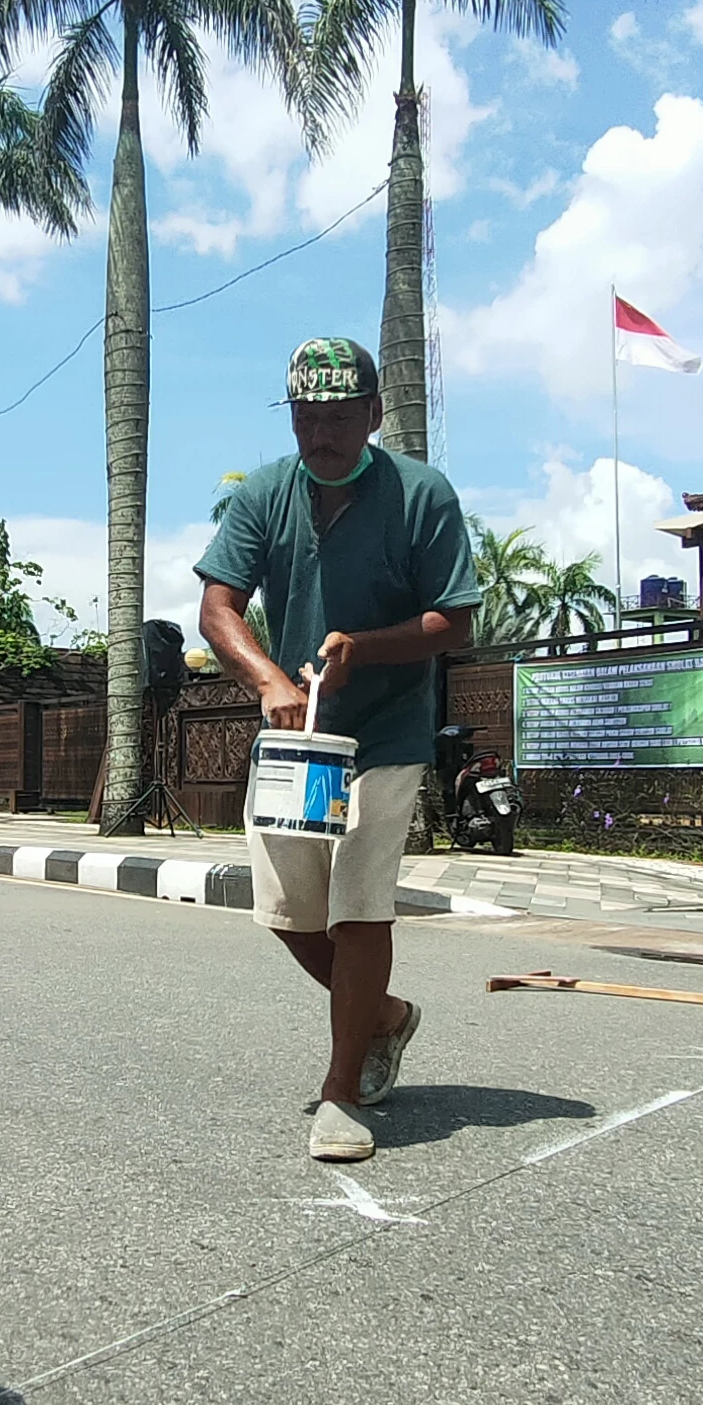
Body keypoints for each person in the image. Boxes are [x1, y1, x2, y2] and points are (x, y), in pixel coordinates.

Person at [198, 337, 483, 1162]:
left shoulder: (420, 494)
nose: (319, 437)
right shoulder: (263, 495)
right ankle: (386, 1017)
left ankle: (342, 1090)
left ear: (373, 414)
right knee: (290, 915)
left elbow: (453, 620)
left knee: (358, 904)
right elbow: (219, 609)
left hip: (386, 732)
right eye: (304, 419)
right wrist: (266, 683)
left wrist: (363, 646)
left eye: (336, 420)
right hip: (298, 738)